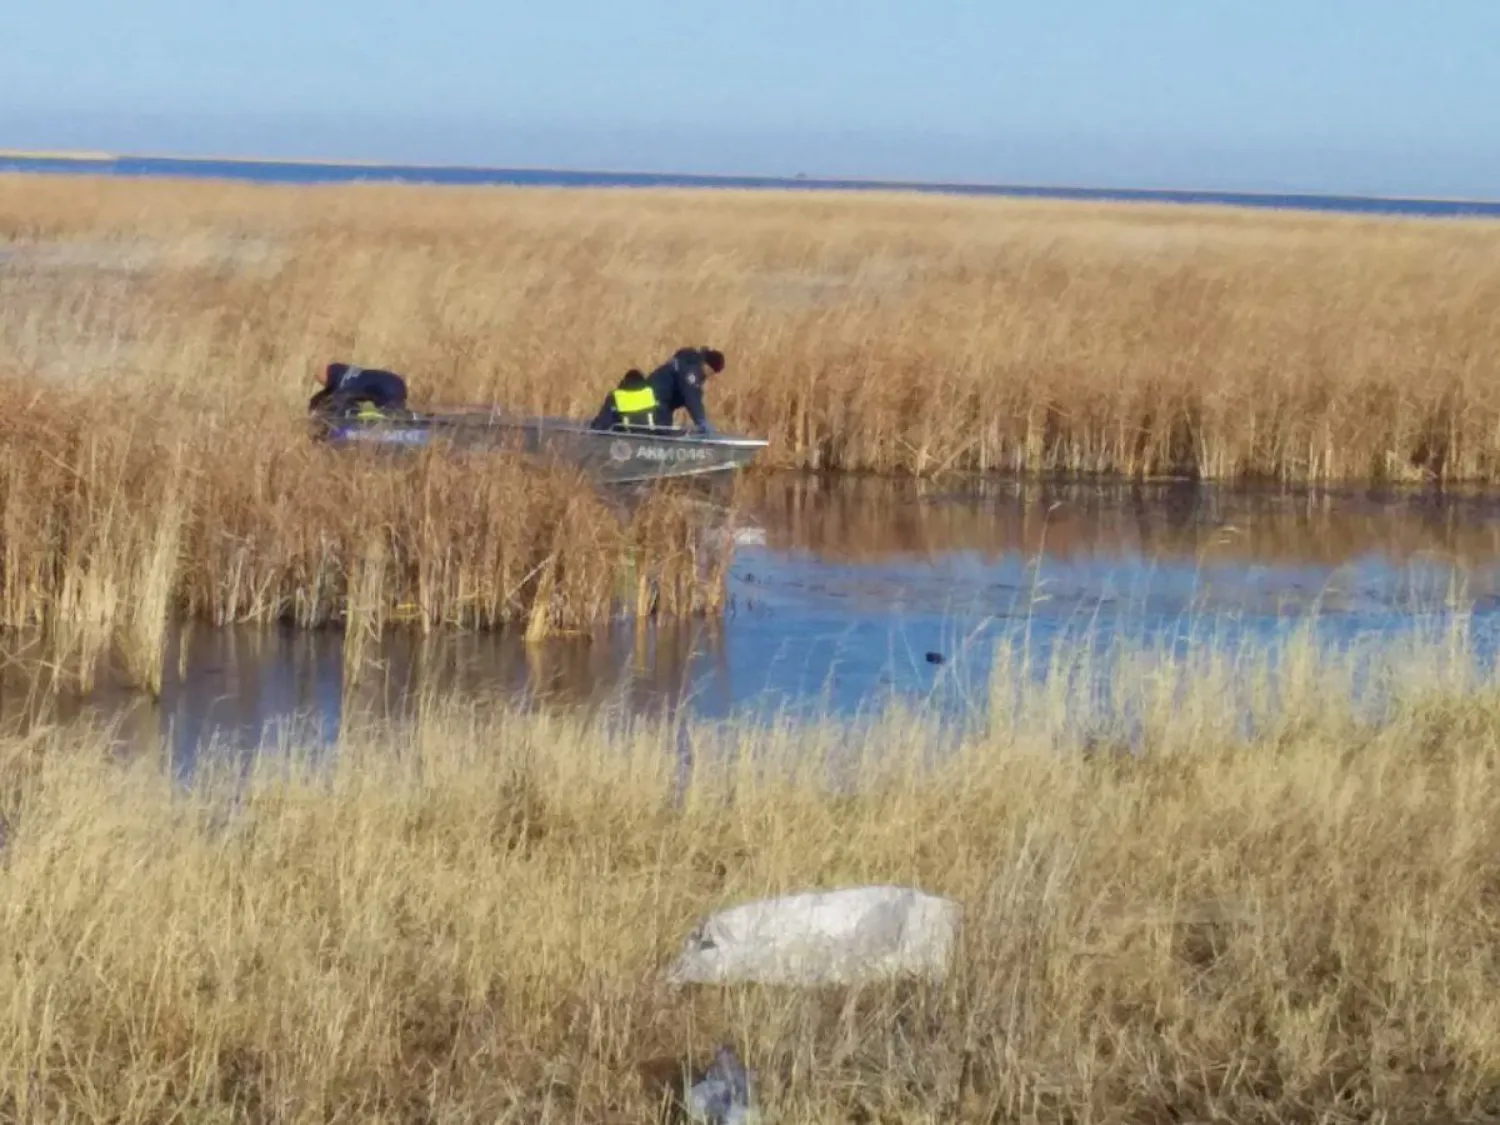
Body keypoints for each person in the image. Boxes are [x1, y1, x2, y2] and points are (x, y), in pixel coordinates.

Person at [590, 346, 726, 434]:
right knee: (660, 430)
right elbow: (691, 396)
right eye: (712, 372)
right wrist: (702, 422)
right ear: (708, 366)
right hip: (653, 405)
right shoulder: (691, 371)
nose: (710, 376)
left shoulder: (682, 364)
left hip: (656, 404)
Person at [308, 362, 410, 418]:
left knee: (390, 422)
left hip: (387, 390)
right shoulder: (345, 373)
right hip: (396, 382)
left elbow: (338, 406)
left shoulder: (343, 386)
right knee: (397, 417)